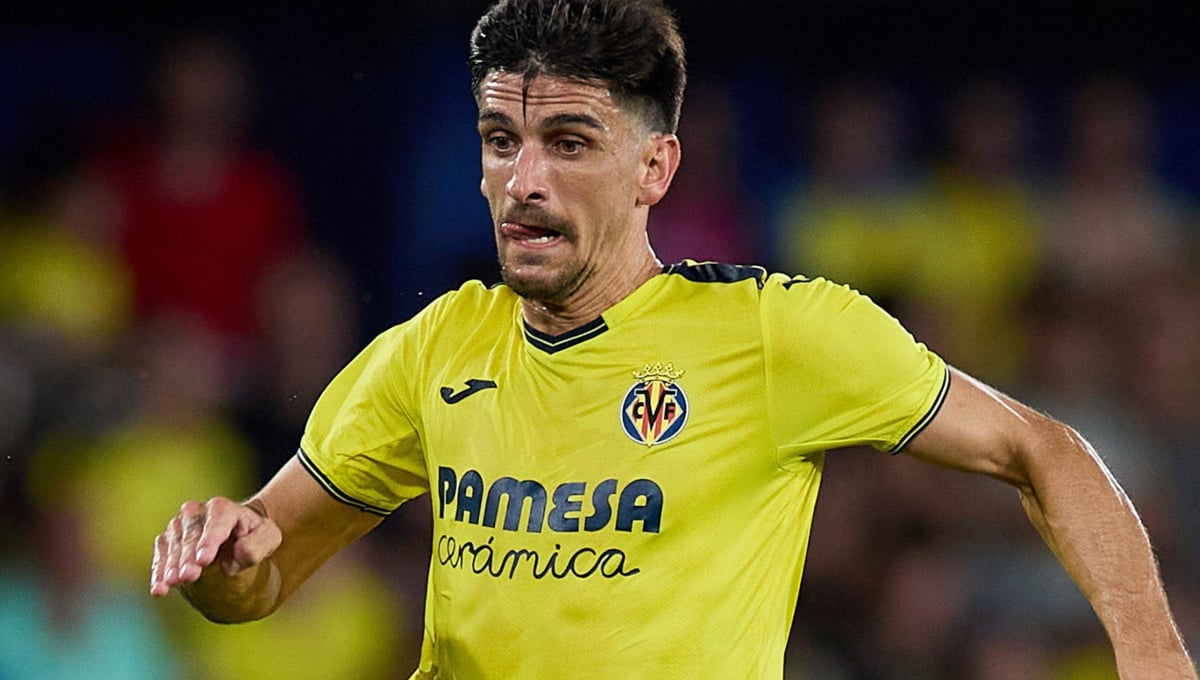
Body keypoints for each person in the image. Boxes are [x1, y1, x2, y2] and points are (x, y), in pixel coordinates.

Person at [151, 1, 1196, 678]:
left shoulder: (777, 333)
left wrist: (1152, 652)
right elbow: (259, 582)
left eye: (569, 143)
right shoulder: (431, 350)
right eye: (501, 141)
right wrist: (221, 556)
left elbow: (1042, 448)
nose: (523, 181)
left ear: (655, 169)